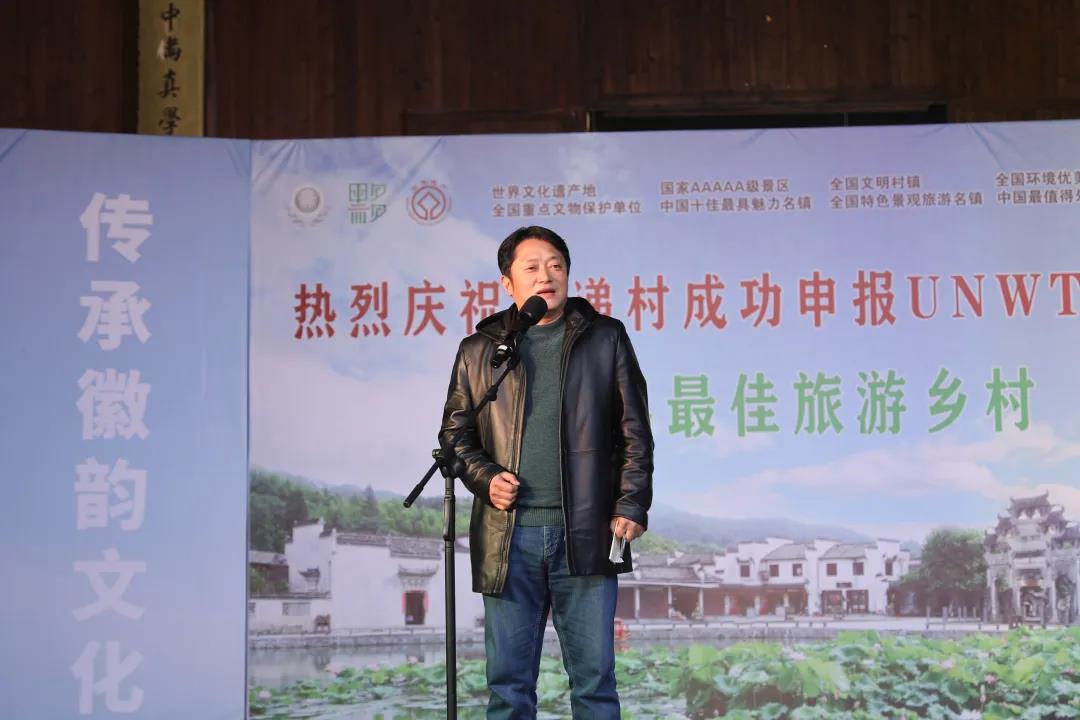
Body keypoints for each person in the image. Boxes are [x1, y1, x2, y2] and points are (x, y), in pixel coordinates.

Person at [440, 225, 654, 719]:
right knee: (509, 688)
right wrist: (484, 477)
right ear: (508, 282)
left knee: (595, 683)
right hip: (508, 535)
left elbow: (635, 430)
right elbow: (455, 436)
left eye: (556, 265)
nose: (546, 276)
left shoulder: (605, 337)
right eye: (532, 267)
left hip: (588, 532)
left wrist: (631, 502)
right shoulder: (479, 349)